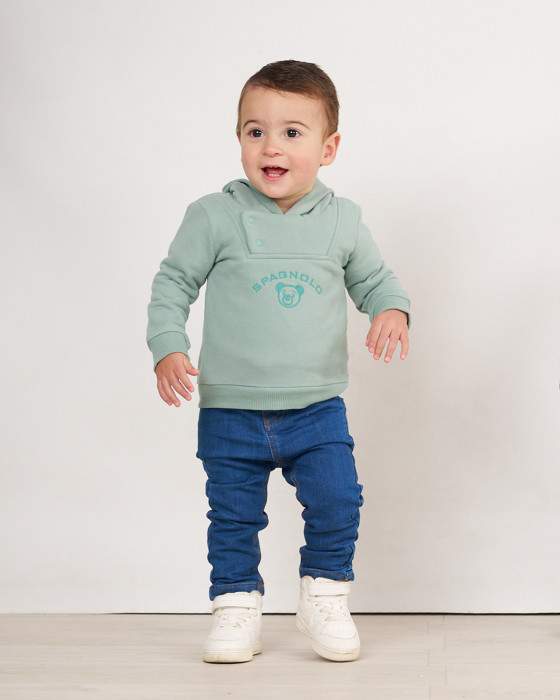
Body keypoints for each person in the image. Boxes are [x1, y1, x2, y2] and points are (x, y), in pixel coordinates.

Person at [146, 60, 410, 664]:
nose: (272, 146)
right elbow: (173, 283)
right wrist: (167, 344)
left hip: (316, 407)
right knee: (233, 517)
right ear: (239, 138)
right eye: (255, 131)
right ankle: (236, 605)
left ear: (328, 148)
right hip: (231, 408)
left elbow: (376, 280)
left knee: (338, 499)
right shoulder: (213, 215)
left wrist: (392, 309)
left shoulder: (343, 219)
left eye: (293, 132)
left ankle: (325, 595)